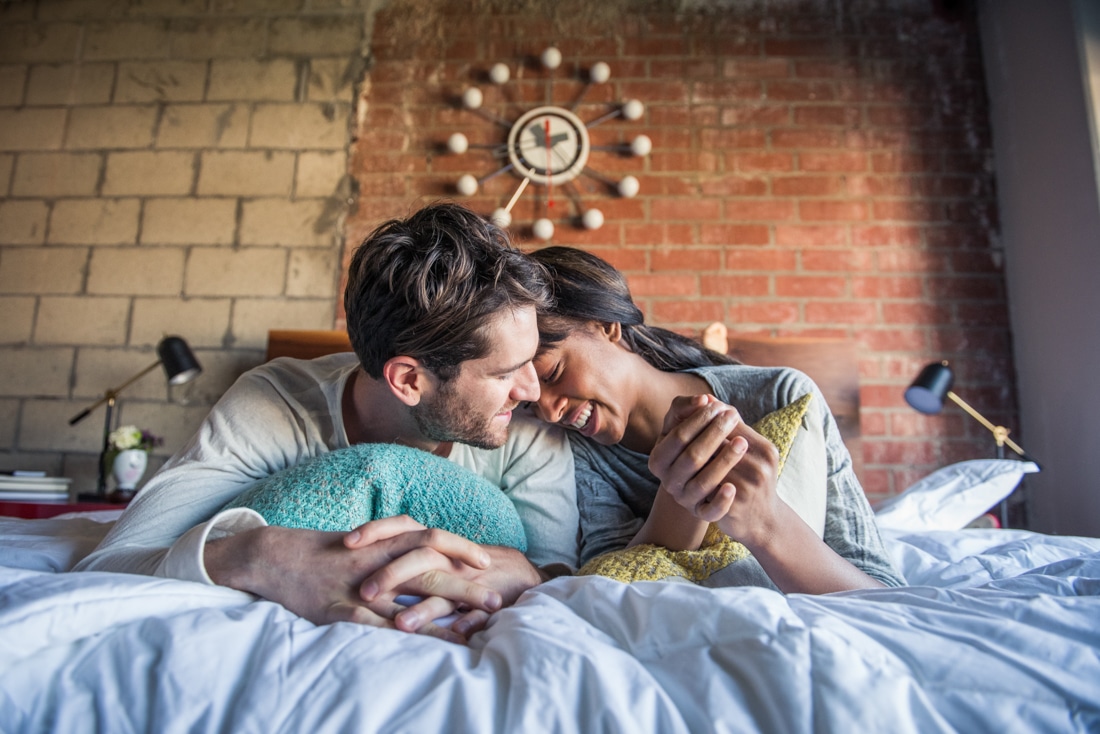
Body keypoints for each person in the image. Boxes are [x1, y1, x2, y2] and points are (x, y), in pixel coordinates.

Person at [75, 202, 580, 644]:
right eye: (505, 372)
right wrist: (261, 553)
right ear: (407, 379)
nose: (534, 391)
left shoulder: (531, 429)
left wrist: (514, 570)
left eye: (530, 361)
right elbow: (111, 564)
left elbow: (564, 579)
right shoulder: (274, 402)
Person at [527, 246, 904, 593]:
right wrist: (680, 497)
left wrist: (765, 522)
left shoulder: (781, 396)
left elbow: (882, 591)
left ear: (605, 325)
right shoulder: (577, 452)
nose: (548, 412)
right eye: (532, 402)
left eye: (554, 374)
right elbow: (607, 581)